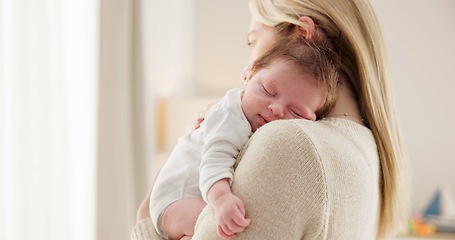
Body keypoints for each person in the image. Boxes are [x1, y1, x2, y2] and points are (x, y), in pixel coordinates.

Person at [132, 0, 410, 239]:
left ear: (302, 34)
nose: (247, 67)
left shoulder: (290, 143)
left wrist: (145, 220)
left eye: (253, 40)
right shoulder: (363, 148)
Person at [149, 35, 341, 240]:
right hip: (175, 199)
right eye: (268, 90)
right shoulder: (229, 115)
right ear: (249, 75)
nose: (275, 109)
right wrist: (222, 199)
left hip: (190, 200)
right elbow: (214, 161)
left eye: (296, 112)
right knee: (219, 226)